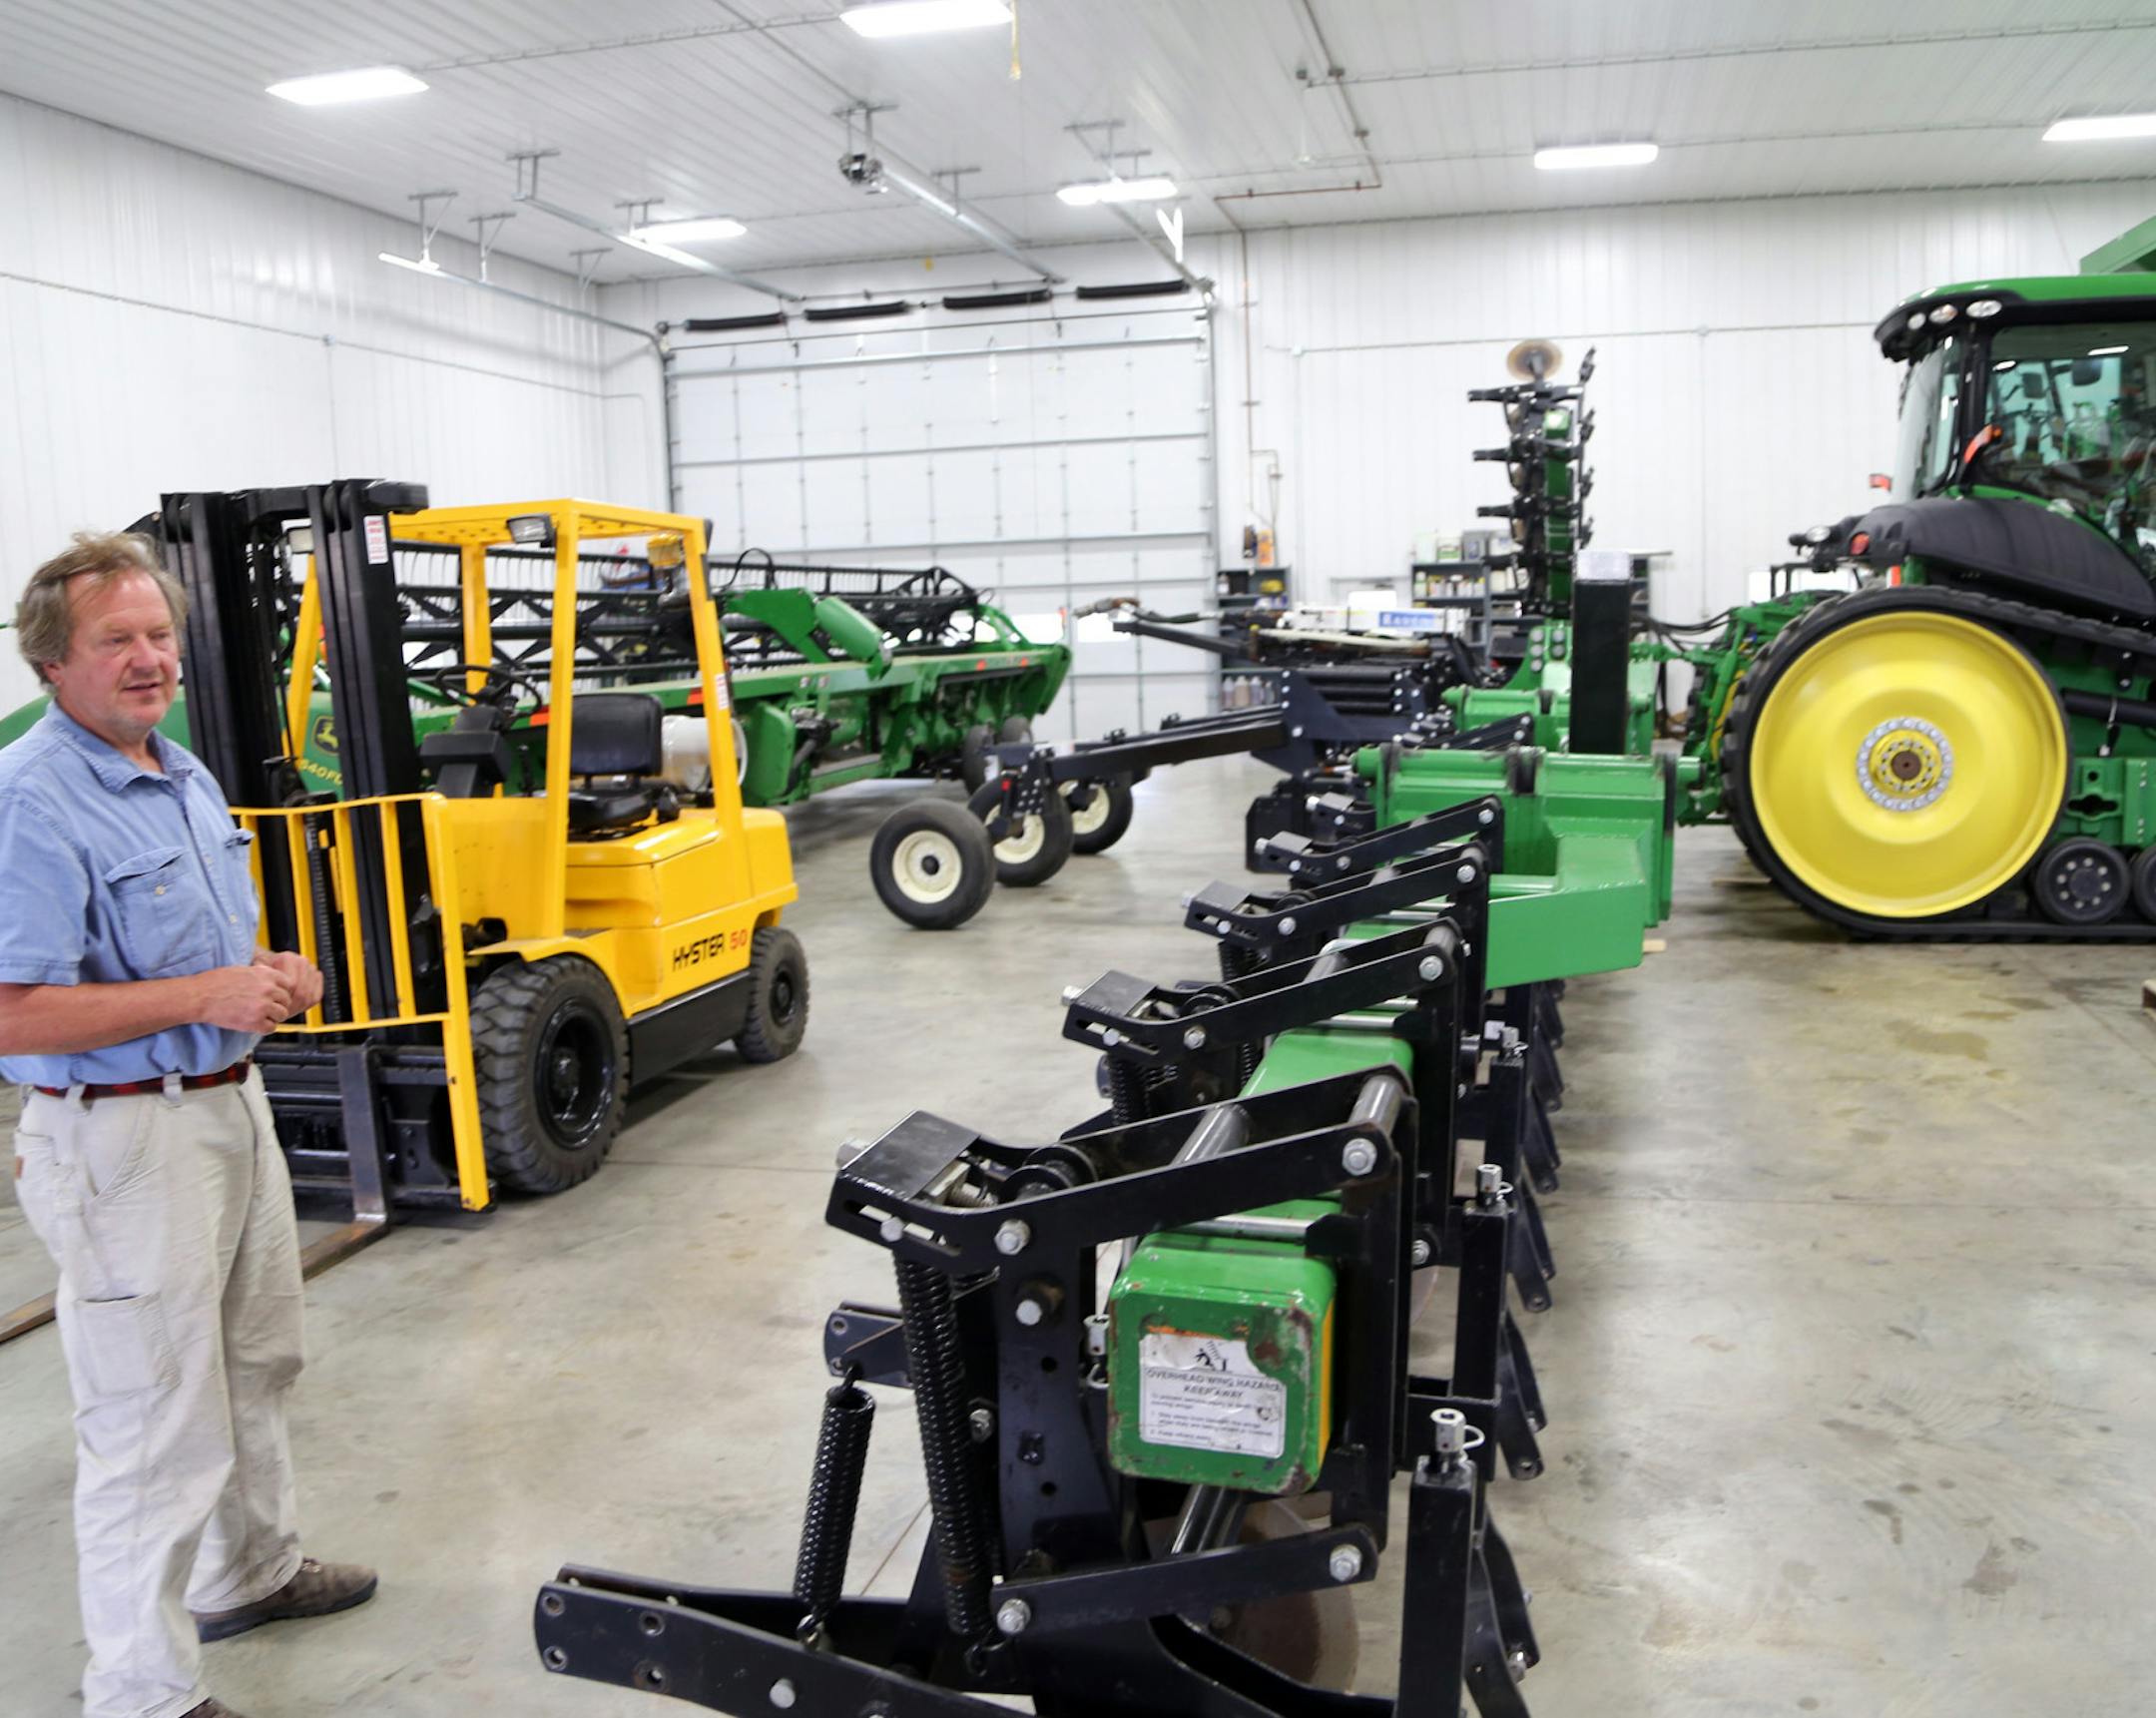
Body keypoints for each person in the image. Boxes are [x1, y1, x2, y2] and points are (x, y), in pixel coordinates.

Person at [0, 532, 375, 1718]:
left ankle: (250, 1570)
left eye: (159, 633)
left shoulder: (184, 772)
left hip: (226, 1108)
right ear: (52, 663)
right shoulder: (30, 801)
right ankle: (140, 1693)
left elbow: (202, 960)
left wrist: (268, 973)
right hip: (122, 1140)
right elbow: (12, 1007)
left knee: (257, 1361)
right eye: (117, 639)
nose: (150, 657)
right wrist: (199, 998)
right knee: (150, 1420)